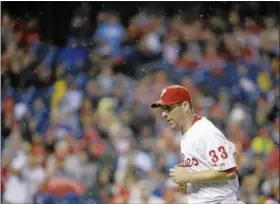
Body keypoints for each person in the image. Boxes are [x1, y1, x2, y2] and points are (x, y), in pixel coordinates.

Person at [151, 85, 243, 204]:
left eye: (168, 108)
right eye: (162, 109)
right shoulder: (188, 134)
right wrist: (188, 184)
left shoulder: (205, 132)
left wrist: (189, 177)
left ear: (185, 106)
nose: (163, 114)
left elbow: (229, 171)